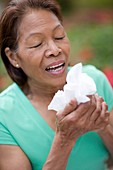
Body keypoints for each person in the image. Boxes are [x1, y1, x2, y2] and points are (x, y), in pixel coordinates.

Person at [0, 0, 113, 169]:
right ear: (13, 57)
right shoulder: (4, 115)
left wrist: (102, 125)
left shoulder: (94, 81)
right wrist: (64, 140)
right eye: (37, 44)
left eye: (59, 36)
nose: (54, 49)